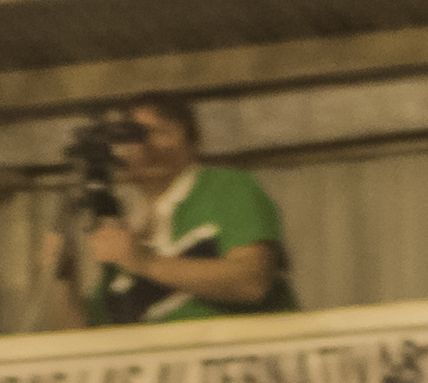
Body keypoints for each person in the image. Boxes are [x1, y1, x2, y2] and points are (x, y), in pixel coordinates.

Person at [62, 93, 289, 327]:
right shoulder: (126, 231)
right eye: (134, 137)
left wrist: (145, 262)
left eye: (159, 133)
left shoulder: (227, 188)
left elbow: (251, 281)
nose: (145, 145)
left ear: (193, 142)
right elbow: (93, 334)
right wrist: (63, 278)